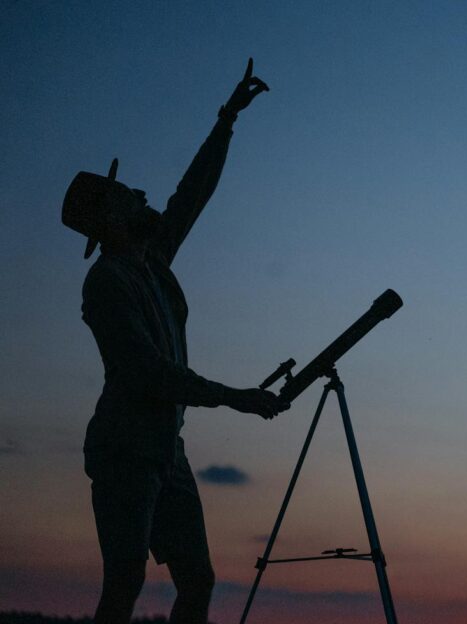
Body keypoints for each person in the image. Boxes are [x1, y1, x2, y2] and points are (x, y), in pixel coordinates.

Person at [61, 59, 290, 624]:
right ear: (111, 220)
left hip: (167, 447)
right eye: (126, 196)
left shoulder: (152, 259)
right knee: (125, 581)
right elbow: (150, 372)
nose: (141, 193)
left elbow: (193, 193)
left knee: (198, 581)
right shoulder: (108, 282)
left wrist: (226, 120)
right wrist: (237, 397)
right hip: (125, 449)